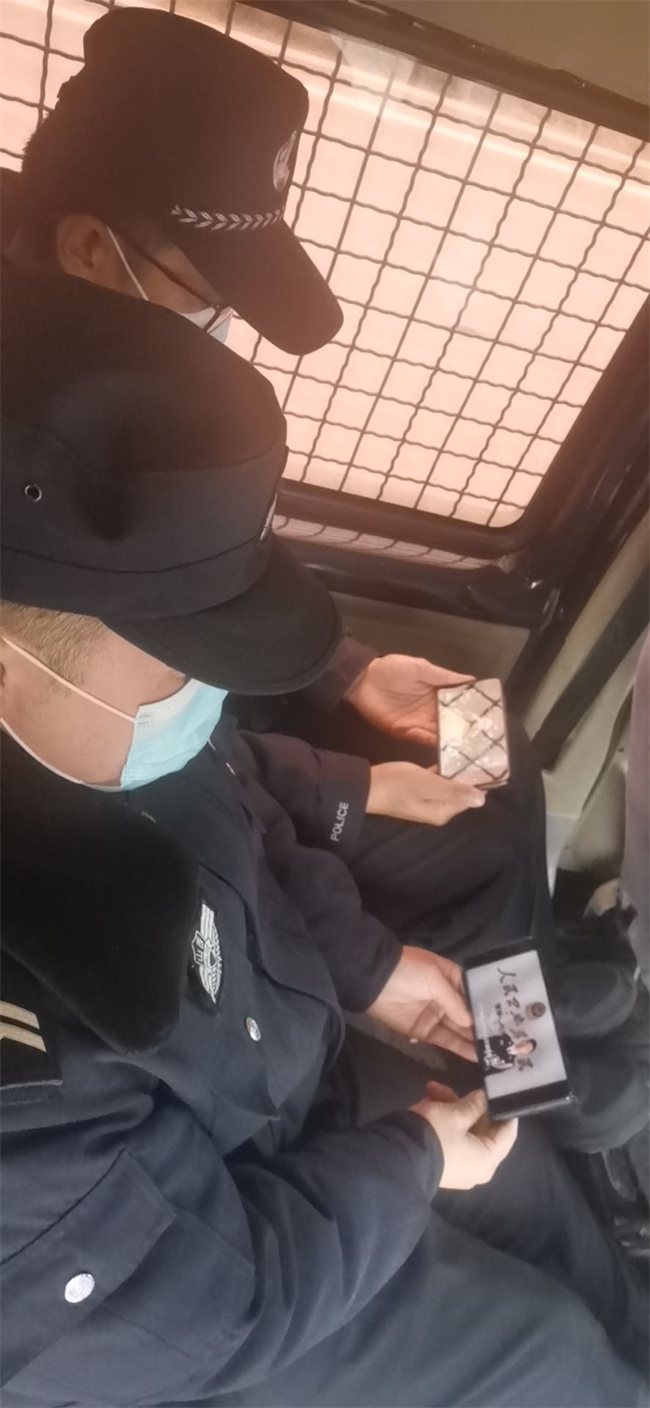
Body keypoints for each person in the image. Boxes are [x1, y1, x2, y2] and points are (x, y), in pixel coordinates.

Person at [1, 266, 647, 1408]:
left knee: (547, 1199)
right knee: (555, 1360)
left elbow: (235, 810)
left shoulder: (94, 728)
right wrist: (410, 1163)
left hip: (298, 1078)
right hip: (224, 1268)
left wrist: (370, 968)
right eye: (190, 659)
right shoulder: (26, 1070)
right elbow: (207, 1308)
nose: (217, 693)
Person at [2, 4, 644, 1150]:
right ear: (91, 249)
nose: (221, 329)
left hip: (204, 726)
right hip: (175, 768)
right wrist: (340, 794)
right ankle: (533, 1067)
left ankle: (541, 996)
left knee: (488, 756)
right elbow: (152, 762)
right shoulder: (32, 432)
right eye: (207, 290)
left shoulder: (101, 359)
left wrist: (349, 672)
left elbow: (189, 558)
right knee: (446, 854)